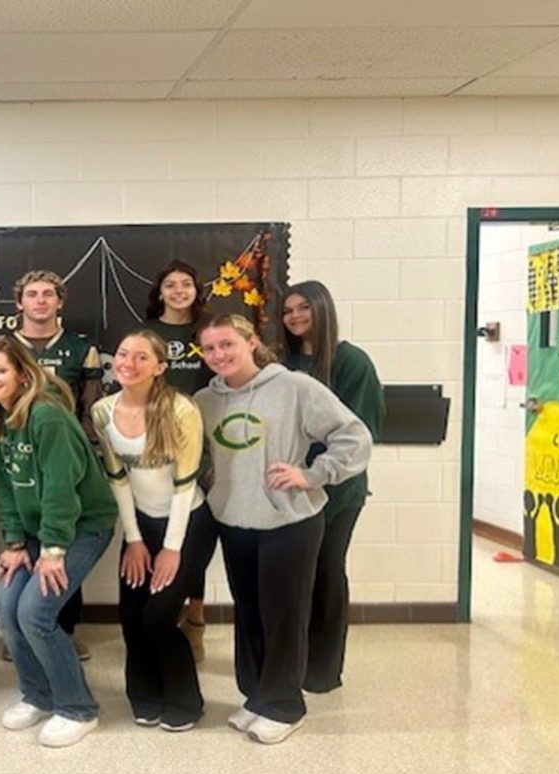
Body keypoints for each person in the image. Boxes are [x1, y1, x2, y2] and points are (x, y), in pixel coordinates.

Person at [194, 314, 371, 745]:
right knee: (250, 612)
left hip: (288, 521)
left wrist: (312, 474)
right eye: (210, 348)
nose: (219, 355)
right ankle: (257, 697)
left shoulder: (294, 387)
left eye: (228, 344)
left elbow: (354, 436)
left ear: (252, 342)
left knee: (284, 615)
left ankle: (285, 705)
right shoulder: (204, 399)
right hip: (235, 521)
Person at [0, 337, 116, 748]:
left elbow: (60, 489)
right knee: (6, 605)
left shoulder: (47, 416)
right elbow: (5, 487)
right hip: (39, 532)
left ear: (22, 373)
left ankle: (77, 708)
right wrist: (16, 542)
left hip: (82, 526)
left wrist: (53, 551)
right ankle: (38, 695)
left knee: (35, 612)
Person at [92, 330, 211, 732]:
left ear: (160, 367)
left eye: (142, 357)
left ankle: (187, 702)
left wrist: (171, 549)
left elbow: (185, 486)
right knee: (131, 615)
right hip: (139, 523)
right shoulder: (102, 411)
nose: (128, 362)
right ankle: (144, 695)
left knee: (159, 617)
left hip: (187, 523)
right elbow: (118, 480)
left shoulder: (181, 410)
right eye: (123, 354)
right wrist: (135, 540)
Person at [279, 281, 384, 694]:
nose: (296, 317)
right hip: (292, 490)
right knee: (296, 577)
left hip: (338, 493)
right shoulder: (283, 362)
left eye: (304, 307)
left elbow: (364, 431)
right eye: (288, 311)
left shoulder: (350, 361)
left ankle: (323, 670)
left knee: (326, 571)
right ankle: (295, 659)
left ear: (323, 308)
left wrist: (321, 473)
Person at [10, 269, 102, 660]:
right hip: (22, 455)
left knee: (61, 540)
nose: (41, 301)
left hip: (66, 458)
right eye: (33, 294)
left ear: (60, 302)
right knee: (28, 540)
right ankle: (22, 630)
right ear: (20, 303)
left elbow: (91, 406)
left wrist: (86, 451)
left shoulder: (82, 349)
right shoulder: (4, 347)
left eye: (49, 294)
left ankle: (64, 628)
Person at [142, 260, 215, 662]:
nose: (178, 290)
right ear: (160, 292)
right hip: (156, 445)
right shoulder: (148, 334)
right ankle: (161, 613)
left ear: (195, 290)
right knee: (162, 531)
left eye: (186, 283)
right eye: (169, 284)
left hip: (202, 441)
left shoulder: (206, 331)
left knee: (196, 536)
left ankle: (196, 618)